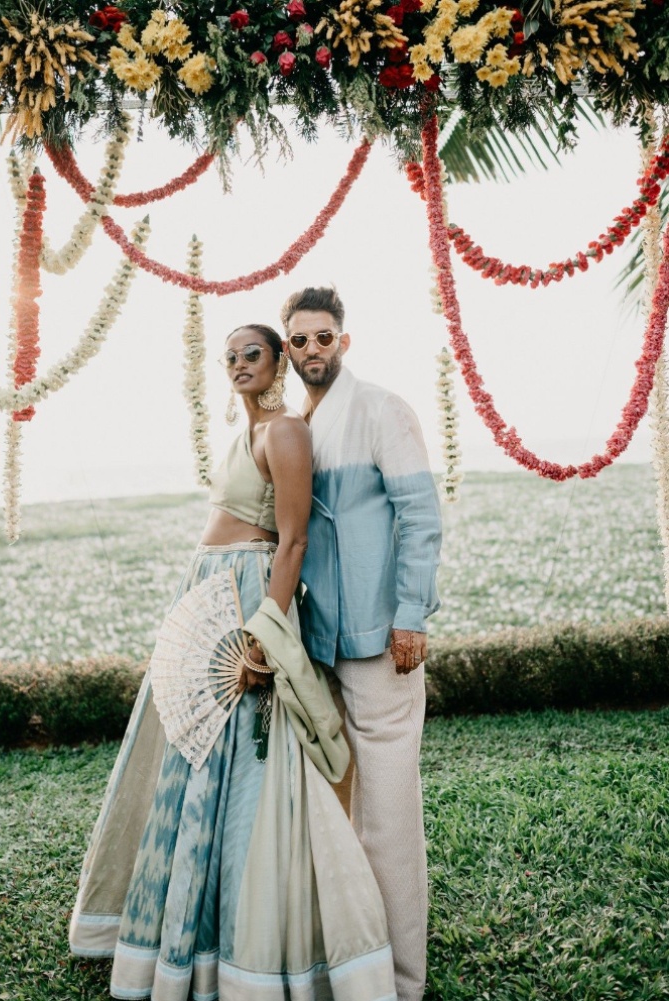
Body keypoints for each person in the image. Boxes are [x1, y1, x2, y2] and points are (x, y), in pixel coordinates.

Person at [69, 323, 398, 1001]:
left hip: (249, 599)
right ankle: (182, 937)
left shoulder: (283, 432)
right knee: (191, 766)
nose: (240, 365)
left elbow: (295, 537)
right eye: (231, 357)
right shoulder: (242, 433)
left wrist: (265, 635)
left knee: (250, 765)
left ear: (279, 361)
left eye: (254, 353)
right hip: (210, 594)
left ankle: (252, 951)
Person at [281, 288, 442, 1001]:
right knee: (346, 814)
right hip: (325, 647)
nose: (311, 350)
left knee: (390, 815)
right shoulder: (302, 426)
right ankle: (358, 965)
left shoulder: (380, 408)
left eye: (322, 337)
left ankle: (402, 982)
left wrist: (412, 615)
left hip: (384, 644)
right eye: (299, 341)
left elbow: (421, 516)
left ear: (344, 340)